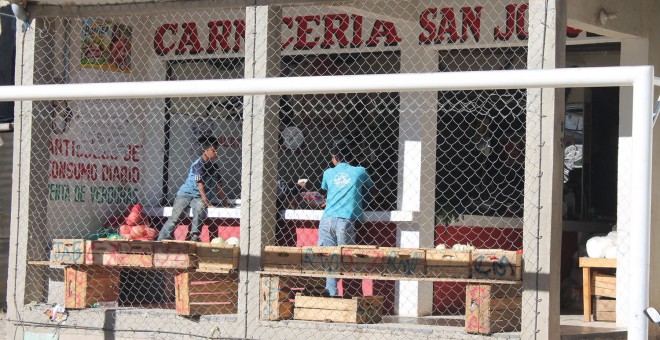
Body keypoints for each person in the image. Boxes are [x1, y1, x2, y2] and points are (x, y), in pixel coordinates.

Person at [319, 139, 373, 296]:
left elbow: (325, 191)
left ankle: (331, 295)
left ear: (335, 157)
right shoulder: (360, 171)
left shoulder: (328, 173)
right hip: (346, 221)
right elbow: (370, 189)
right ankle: (350, 295)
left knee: (330, 260)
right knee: (346, 260)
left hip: (327, 219)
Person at [158, 136, 229, 242]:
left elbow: (219, 187)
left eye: (216, 150)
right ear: (205, 151)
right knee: (176, 216)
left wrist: (225, 202)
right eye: (213, 150)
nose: (216, 153)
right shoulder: (198, 165)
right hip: (185, 194)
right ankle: (163, 238)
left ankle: (194, 237)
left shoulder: (215, 168)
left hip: (198, 197)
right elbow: (200, 185)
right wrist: (207, 202)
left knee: (199, 209)